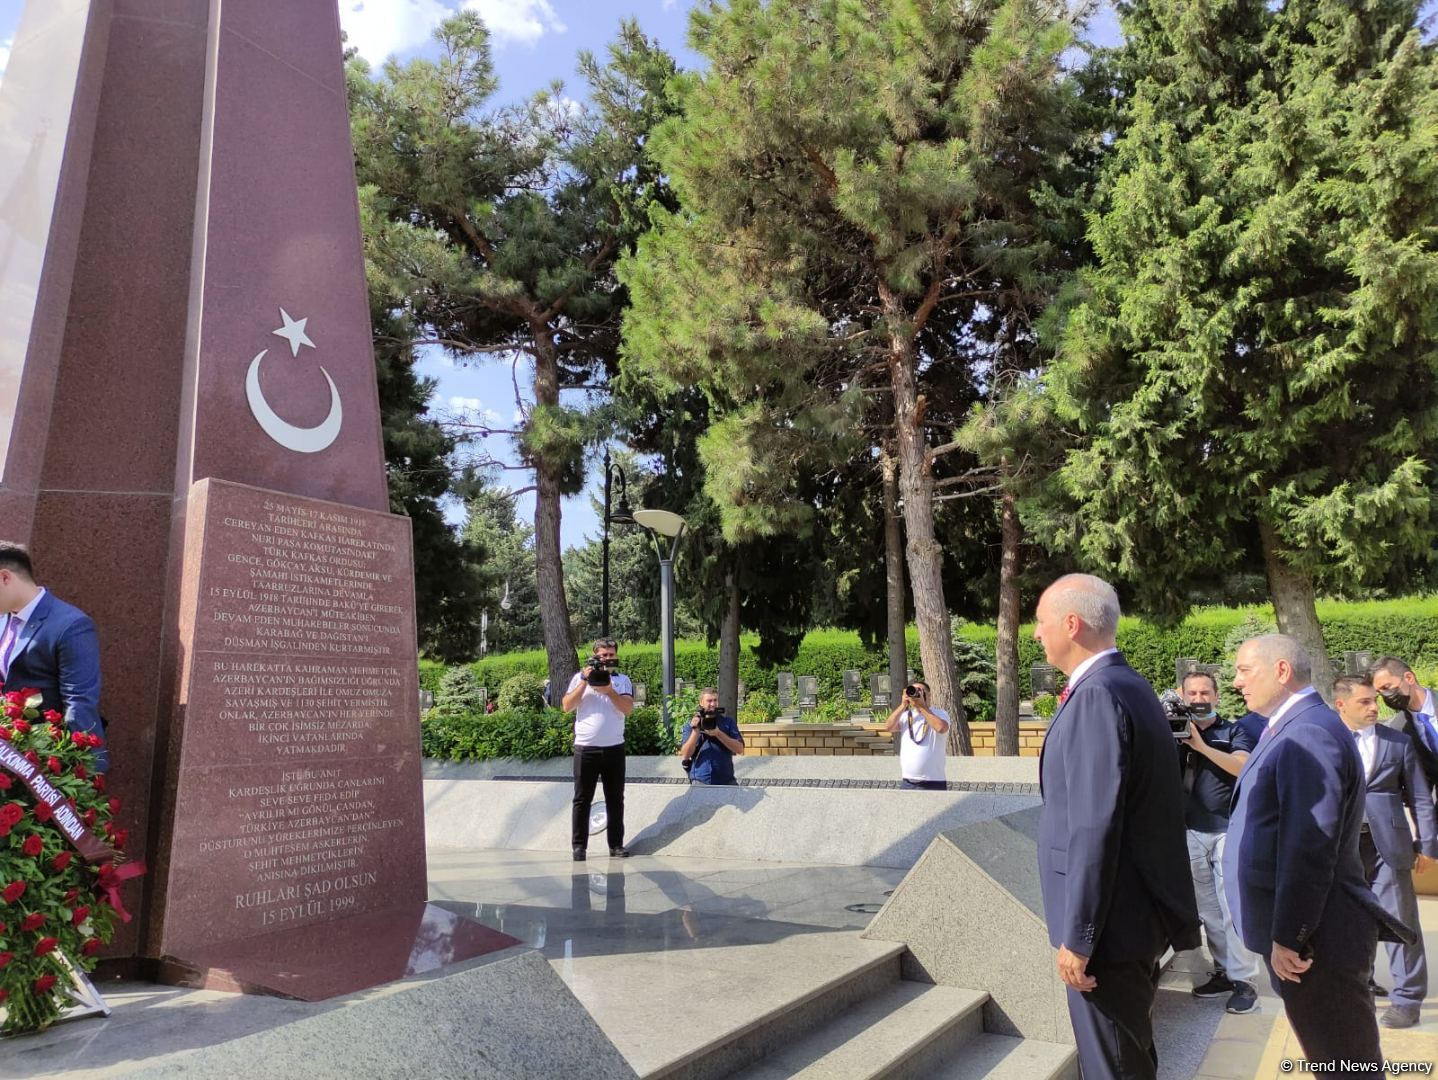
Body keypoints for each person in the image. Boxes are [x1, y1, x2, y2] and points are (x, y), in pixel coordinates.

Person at [1034, 574, 1199, 1079]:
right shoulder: (1128, 685)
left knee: (1114, 1066)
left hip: (1108, 931)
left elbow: (1094, 825)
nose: (1036, 634)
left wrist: (1081, 936)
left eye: (1040, 622)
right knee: (1127, 1056)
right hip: (1126, 921)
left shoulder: (1098, 695)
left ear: (1071, 624)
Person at [1224, 635, 1412, 1067]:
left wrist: (1290, 935)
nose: (1236, 682)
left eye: (1244, 670)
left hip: (1316, 943)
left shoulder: (1308, 731)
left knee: (1344, 1062)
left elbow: (1310, 845)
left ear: (1282, 671)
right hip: (1309, 939)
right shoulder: (1296, 724)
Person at [1335, 673, 1436, 1029]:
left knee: (1400, 920)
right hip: (1341, 846)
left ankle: (1408, 999)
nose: (1374, 707)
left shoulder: (1398, 741)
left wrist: (1428, 844)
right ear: (1341, 705)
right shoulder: (1326, 741)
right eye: (1364, 702)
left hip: (1388, 846)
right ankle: (1357, 986)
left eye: (1374, 700)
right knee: (1346, 921)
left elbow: (1420, 797)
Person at [1176, 670, 1261, 1014]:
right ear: (1182, 695)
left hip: (1227, 830)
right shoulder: (1174, 730)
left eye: (1205, 693)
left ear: (1216, 696)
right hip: (1190, 831)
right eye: (1192, 693)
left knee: (1232, 908)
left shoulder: (1235, 730)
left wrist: (1201, 746)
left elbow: (1242, 767)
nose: (1199, 699)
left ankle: (1245, 981)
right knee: (1208, 911)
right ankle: (1225, 971)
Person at [0, 543, 106, 771]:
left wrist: (82, 769)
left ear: (5, 577)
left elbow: (78, 701)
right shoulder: (3, 620)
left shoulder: (70, 625)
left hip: (46, 764)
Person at [561, 637, 634, 861]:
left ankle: (616, 845)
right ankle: (579, 847)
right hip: (586, 748)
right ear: (595, 656)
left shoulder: (622, 680)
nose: (607, 659)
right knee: (582, 798)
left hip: (614, 748)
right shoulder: (579, 678)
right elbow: (566, 706)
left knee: (615, 798)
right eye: (603, 655)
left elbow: (628, 709)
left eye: (611, 655)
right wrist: (585, 680)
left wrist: (610, 691)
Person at [1369, 655, 1438, 796]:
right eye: (1380, 692)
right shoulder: (1399, 729)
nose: (1385, 695)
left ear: (1409, 678)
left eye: (1386, 687)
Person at [882, 679, 949, 790]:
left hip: (933, 780)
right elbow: (888, 727)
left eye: (920, 691)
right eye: (913, 691)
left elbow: (941, 728)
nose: (916, 694)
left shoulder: (940, 714)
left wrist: (922, 707)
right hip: (908, 781)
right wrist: (903, 705)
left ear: (929, 695)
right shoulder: (906, 715)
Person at [678, 687, 745, 785]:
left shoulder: (727, 722)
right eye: (709, 701)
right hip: (701, 780)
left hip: (726, 781)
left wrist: (719, 734)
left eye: (715, 700)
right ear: (701, 702)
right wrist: (695, 732)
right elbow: (685, 755)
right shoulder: (691, 725)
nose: (713, 704)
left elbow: (740, 749)